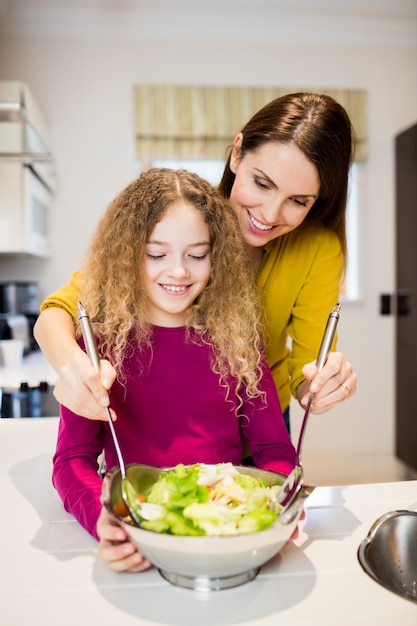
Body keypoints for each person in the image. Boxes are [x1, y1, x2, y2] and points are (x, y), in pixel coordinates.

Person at [34, 92, 357, 433]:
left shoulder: (318, 250)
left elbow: (306, 378)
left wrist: (322, 389)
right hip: (162, 431)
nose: (270, 214)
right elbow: (55, 314)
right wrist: (74, 368)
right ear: (237, 153)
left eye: (297, 201)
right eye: (262, 183)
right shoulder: (184, 214)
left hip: (259, 434)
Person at [52, 167, 297, 573]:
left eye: (197, 255)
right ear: (127, 254)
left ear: (216, 257)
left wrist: (280, 502)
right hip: (142, 528)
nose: (179, 271)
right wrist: (104, 518)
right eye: (156, 254)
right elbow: (72, 460)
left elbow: (274, 450)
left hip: (224, 529)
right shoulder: (100, 345)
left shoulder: (236, 338)